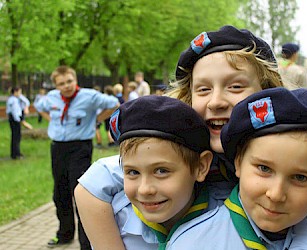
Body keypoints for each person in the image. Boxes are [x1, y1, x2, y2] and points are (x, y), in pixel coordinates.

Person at [74, 25, 307, 249]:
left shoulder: (290, 155)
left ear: (267, 91)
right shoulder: (174, 149)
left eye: (235, 87)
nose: (216, 101)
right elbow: (90, 187)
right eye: (203, 90)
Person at [170, 87, 307, 249]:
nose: (276, 195)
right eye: (264, 168)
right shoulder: (191, 243)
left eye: (300, 177)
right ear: (238, 162)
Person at [83, 95, 213, 249]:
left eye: (161, 171)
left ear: (201, 166)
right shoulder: (114, 219)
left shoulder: (225, 223)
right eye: (133, 172)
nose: (145, 189)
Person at [34, 66, 119, 249]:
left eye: (69, 81)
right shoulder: (52, 98)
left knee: (79, 192)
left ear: (75, 79)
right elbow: (39, 106)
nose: (66, 86)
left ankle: (86, 243)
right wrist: (52, 121)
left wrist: (96, 120)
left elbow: (114, 102)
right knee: (60, 192)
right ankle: (64, 234)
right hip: (57, 148)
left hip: (79, 148)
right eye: (61, 83)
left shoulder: (89, 96)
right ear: (56, 85)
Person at [6, 86, 24, 159]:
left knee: (16, 136)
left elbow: (26, 102)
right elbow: (14, 111)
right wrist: (18, 120)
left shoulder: (15, 99)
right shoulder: (13, 100)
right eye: (19, 92)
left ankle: (16, 152)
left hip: (14, 118)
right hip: (14, 119)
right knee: (16, 136)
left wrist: (21, 96)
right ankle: (16, 154)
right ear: (15, 92)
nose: (20, 94)